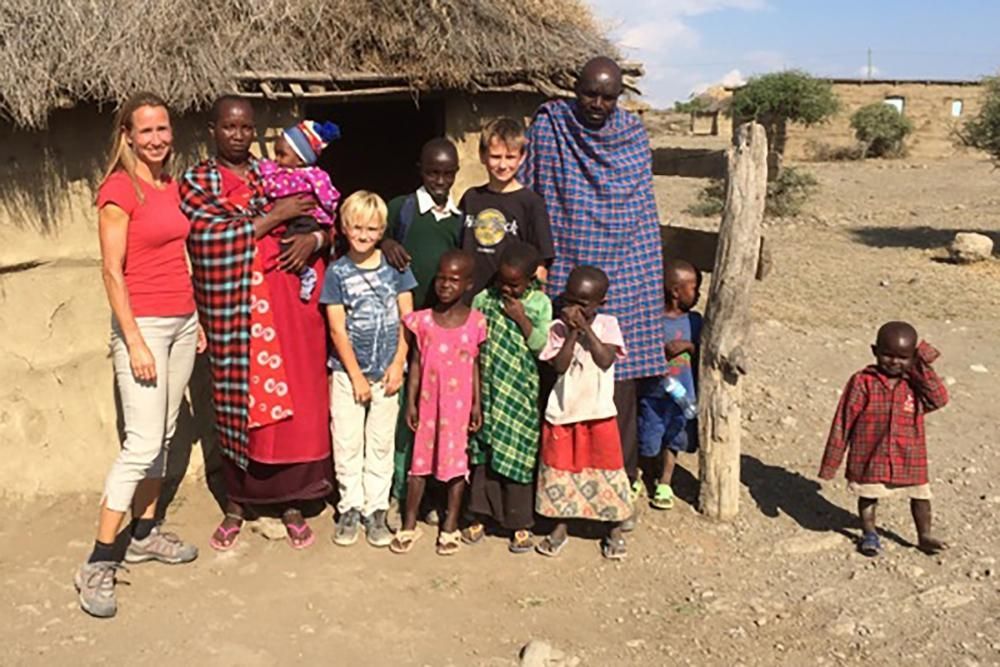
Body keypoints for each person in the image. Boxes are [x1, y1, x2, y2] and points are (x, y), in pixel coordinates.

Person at [181, 96, 334, 552]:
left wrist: (314, 236)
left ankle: (292, 501)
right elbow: (207, 239)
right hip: (238, 309)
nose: (238, 135)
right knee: (243, 402)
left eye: (246, 127)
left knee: (300, 396)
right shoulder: (199, 181)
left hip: (292, 301)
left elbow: (328, 213)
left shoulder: (277, 171)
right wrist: (275, 217)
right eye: (229, 126)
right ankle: (240, 502)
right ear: (213, 128)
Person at [519, 57, 667, 528]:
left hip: (624, 272)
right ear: (574, 89)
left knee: (615, 392)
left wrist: (636, 272)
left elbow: (641, 209)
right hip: (567, 264)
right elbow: (535, 192)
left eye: (608, 96)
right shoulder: (551, 126)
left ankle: (614, 500)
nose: (598, 104)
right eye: (590, 94)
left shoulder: (632, 135)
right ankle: (557, 497)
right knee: (559, 386)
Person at [76, 92, 203, 618]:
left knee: (166, 435)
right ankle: (99, 559)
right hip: (144, 326)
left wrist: (192, 317)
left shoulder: (169, 185)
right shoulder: (119, 188)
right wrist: (132, 338)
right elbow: (111, 270)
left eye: (163, 129)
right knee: (142, 442)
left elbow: (178, 252)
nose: (156, 139)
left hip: (181, 322)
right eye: (145, 131)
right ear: (127, 136)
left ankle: (145, 532)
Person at [321, 191, 416, 548]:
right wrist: (356, 374)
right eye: (357, 227)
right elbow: (336, 328)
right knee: (347, 440)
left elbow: (407, 319)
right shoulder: (338, 272)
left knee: (380, 442)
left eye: (371, 229)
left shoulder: (396, 269)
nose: (363, 235)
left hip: (388, 372)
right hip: (350, 374)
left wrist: (398, 363)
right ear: (345, 227)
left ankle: (376, 507)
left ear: (382, 231)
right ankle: (350, 506)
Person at [380, 138, 464, 514]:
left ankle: (430, 493)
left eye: (448, 173)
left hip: (441, 335)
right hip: (404, 330)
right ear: (420, 169)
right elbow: (362, 235)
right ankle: (399, 492)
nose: (440, 180)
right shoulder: (402, 208)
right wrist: (385, 242)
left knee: (437, 414)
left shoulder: (460, 220)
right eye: (433, 172)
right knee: (405, 413)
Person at [819, 321, 950, 557]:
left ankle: (924, 535)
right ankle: (869, 533)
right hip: (870, 453)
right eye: (887, 355)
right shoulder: (862, 381)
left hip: (908, 455)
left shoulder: (915, 384)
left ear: (912, 358)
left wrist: (921, 363)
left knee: (921, 495)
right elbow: (843, 421)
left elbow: (939, 399)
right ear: (874, 351)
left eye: (903, 357)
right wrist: (831, 464)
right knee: (868, 494)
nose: (894, 362)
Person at [391, 250, 486, 556]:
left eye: (454, 279)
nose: (445, 285)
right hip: (429, 405)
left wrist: (476, 405)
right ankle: (409, 524)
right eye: (441, 278)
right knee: (419, 465)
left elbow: (474, 365)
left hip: (458, 408)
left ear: (468, 284)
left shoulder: (476, 322)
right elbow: (416, 363)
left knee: (456, 465)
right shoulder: (423, 321)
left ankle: (450, 526)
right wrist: (412, 402)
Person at [535, 266, 631, 560]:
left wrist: (587, 330)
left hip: (598, 413)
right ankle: (560, 526)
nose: (575, 308)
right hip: (564, 413)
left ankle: (613, 527)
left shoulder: (608, 325)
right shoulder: (558, 330)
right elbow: (560, 366)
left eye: (584, 303)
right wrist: (573, 333)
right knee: (562, 471)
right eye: (570, 300)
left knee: (607, 470)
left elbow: (605, 360)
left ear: (600, 304)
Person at [466, 241, 552, 553]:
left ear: (531, 279)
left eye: (514, 284)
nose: (506, 289)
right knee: (484, 454)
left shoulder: (540, 304)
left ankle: (519, 524)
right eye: (503, 281)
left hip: (521, 394)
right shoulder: (482, 300)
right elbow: (472, 344)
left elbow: (544, 348)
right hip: (488, 389)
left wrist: (521, 318)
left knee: (518, 456)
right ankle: (479, 515)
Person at [460, 117, 554, 294]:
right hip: (469, 300)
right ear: (482, 155)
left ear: (522, 157)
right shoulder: (471, 198)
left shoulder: (531, 203)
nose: (503, 165)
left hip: (508, 302)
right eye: (495, 157)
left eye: (510, 157)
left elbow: (540, 265)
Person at [637, 259, 703, 511]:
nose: (697, 293)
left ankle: (665, 481)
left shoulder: (695, 322)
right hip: (654, 393)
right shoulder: (653, 321)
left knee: (676, 436)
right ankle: (642, 472)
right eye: (693, 287)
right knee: (649, 435)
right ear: (675, 291)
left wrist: (688, 346)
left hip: (684, 396)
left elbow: (705, 353)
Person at [259, 119, 342, 301]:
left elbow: (328, 196)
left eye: (282, 155)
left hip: (306, 220)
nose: (277, 159)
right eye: (276, 154)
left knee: (290, 246)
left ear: (300, 159)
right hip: (294, 222)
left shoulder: (311, 176)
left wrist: (325, 213)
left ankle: (305, 273)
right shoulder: (281, 172)